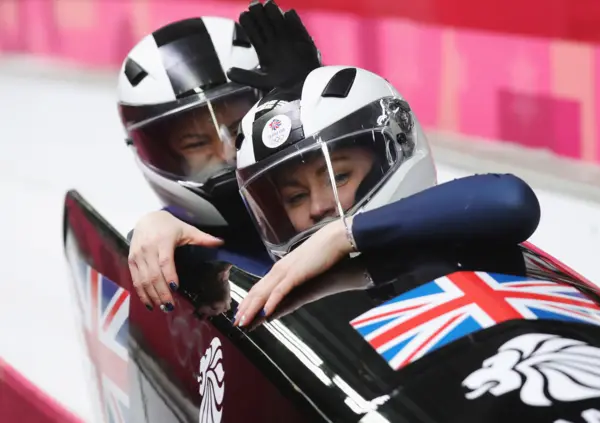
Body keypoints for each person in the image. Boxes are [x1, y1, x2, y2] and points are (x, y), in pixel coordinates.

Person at [230, 65, 541, 327]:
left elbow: (512, 201)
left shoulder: (465, 218)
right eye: (295, 197)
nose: (318, 206)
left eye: (339, 177)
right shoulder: (284, 279)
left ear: (397, 149)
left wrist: (341, 236)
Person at [118, 2, 322, 312]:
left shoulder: (328, 193)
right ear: (160, 152)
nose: (227, 151)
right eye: (198, 142)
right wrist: (156, 228)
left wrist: (314, 110)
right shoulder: (179, 238)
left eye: (239, 128)